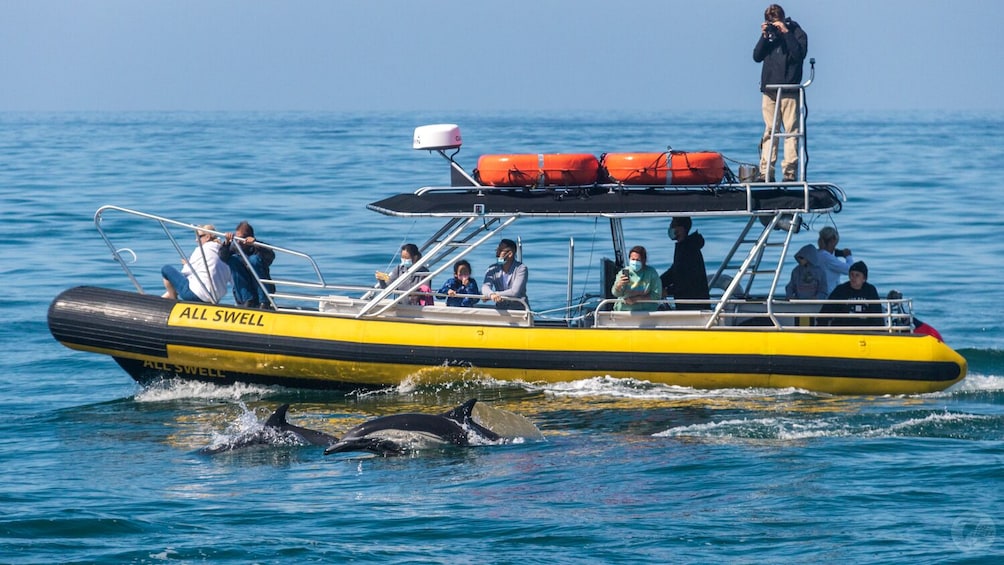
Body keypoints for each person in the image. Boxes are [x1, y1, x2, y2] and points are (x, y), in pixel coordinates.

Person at [753, 4, 808, 182]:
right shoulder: (769, 37)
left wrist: (785, 32)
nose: (773, 25)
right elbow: (756, 56)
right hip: (769, 91)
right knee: (770, 131)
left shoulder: (797, 33)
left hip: (789, 90)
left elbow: (798, 55)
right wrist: (764, 36)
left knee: (791, 132)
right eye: (770, 22)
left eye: (775, 21)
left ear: (783, 18)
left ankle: (789, 174)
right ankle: (766, 172)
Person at [161, 225, 231, 303]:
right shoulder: (225, 253)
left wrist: (186, 264)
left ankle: (173, 302)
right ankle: (165, 297)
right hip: (216, 297)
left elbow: (186, 272)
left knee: (166, 269)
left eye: (199, 236)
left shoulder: (201, 250)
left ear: (207, 237)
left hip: (196, 295)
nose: (196, 240)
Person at [219, 221, 276, 308]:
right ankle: (248, 300)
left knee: (254, 259)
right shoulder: (234, 247)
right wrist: (226, 243)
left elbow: (271, 256)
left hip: (261, 292)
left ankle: (264, 302)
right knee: (234, 260)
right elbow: (223, 257)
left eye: (241, 239)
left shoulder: (258, 247)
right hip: (244, 295)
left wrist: (256, 244)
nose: (238, 242)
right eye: (237, 238)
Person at [660, 217, 710, 310]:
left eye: (672, 225)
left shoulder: (689, 249)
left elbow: (689, 280)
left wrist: (668, 291)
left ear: (680, 229)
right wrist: (657, 283)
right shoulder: (685, 246)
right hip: (689, 304)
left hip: (694, 306)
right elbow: (675, 272)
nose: (670, 228)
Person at [820, 261, 881, 326]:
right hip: (842, 330)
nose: (853, 278)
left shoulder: (870, 290)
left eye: (857, 275)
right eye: (851, 274)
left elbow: (877, 315)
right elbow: (826, 312)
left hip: (865, 330)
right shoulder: (840, 290)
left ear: (864, 278)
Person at [481, 238, 529, 310]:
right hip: (501, 309)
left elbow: (514, 292)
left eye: (500, 251)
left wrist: (496, 294)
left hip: (519, 310)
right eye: (497, 250)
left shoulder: (521, 269)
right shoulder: (492, 268)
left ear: (510, 254)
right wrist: (491, 294)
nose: (497, 254)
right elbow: (485, 287)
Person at [611, 246, 662, 312]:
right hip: (624, 311)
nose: (635, 262)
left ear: (644, 260)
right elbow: (615, 293)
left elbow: (656, 295)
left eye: (638, 260)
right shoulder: (624, 272)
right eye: (633, 259)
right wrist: (619, 285)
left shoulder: (651, 273)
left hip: (647, 311)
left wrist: (637, 299)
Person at [816, 226, 854, 295]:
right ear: (833, 241)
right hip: (828, 296)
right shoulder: (826, 257)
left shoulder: (818, 254)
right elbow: (850, 270)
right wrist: (848, 256)